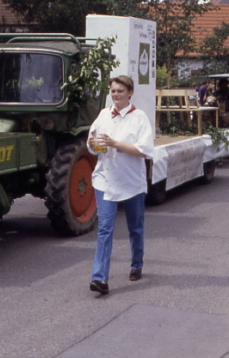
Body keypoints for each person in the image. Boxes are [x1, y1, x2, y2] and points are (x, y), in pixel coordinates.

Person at [87, 75, 154, 295]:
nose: (116, 95)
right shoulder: (103, 114)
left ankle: (137, 264)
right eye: (113, 91)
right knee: (104, 229)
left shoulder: (139, 117)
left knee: (135, 227)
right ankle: (99, 278)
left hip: (131, 181)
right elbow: (92, 142)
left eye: (120, 91)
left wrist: (115, 143)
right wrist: (93, 143)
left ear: (130, 93)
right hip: (105, 180)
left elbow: (144, 150)